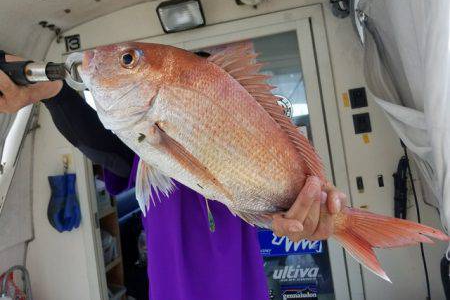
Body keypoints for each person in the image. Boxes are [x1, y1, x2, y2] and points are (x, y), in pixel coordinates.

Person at [0, 52, 346, 300]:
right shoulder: (144, 147)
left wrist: (311, 206)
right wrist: (53, 93)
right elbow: (97, 143)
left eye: (128, 61)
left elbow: (280, 204)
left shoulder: (242, 149)